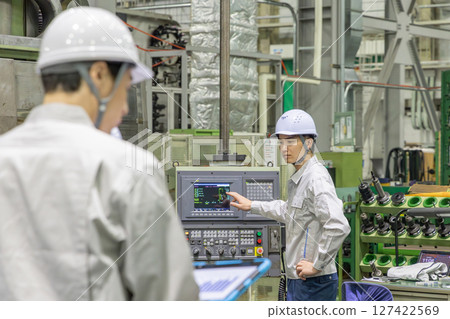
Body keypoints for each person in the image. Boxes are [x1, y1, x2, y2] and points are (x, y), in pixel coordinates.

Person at [0, 7, 198, 301]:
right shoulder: (129, 168)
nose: (126, 108)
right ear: (99, 75)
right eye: (126, 87)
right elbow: (170, 297)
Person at [227, 109, 350, 301]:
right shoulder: (300, 177)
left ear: (308, 143)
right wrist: (251, 205)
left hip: (314, 281)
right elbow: (288, 212)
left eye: (291, 141)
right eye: (281, 142)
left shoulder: (316, 178)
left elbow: (338, 225)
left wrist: (316, 265)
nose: (284, 148)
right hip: (299, 280)